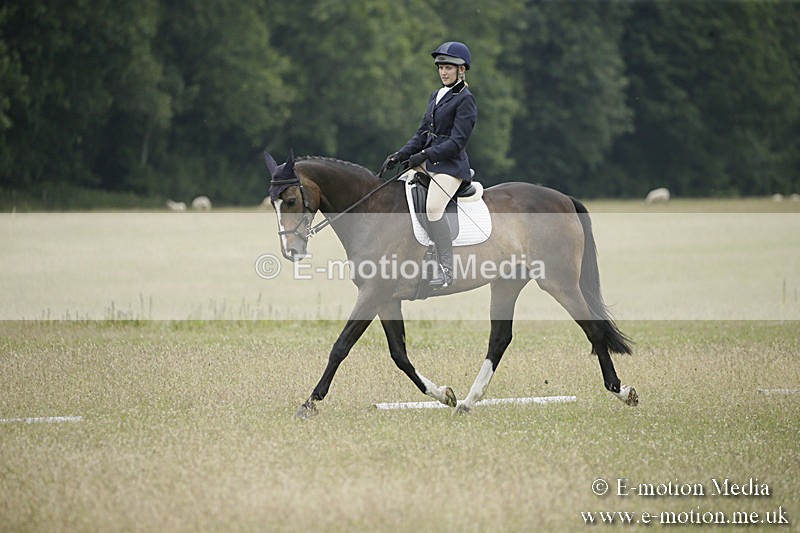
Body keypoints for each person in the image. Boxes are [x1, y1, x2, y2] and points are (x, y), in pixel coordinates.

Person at [383, 41, 477, 288]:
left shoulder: (465, 99)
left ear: (461, 70)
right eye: (441, 67)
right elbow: (422, 132)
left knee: (433, 207)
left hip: (450, 167)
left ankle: (446, 269)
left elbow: (457, 142)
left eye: (449, 68)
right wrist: (400, 155)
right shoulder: (436, 95)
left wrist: (425, 155)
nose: (444, 72)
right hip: (429, 162)